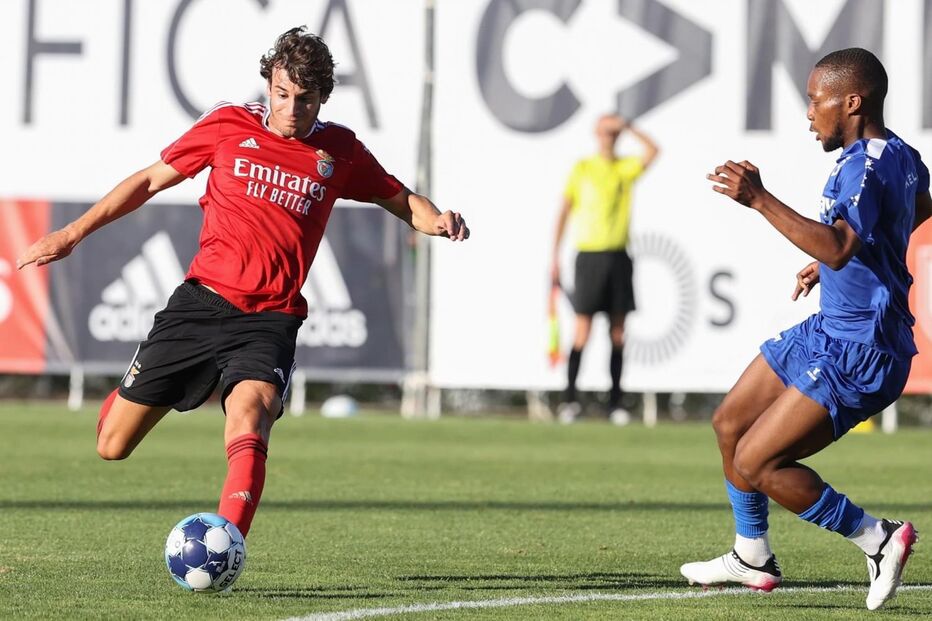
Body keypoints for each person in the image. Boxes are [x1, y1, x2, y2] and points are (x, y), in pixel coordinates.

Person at [16, 27, 469, 541]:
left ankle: (225, 545)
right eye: (282, 95)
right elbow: (147, 181)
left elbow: (402, 199)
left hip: (269, 319)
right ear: (268, 87)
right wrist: (73, 233)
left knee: (249, 419)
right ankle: (134, 391)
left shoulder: (339, 151)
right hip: (199, 304)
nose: (292, 108)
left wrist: (436, 219)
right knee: (112, 445)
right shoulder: (228, 125)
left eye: (305, 99)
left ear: (323, 96)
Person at [680, 48, 929, 611]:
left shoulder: (864, 164)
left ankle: (878, 538)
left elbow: (841, 244)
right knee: (730, 423)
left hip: (862, 346)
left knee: (755, 462)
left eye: (816, 100)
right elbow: (914, 209)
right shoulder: (903, 156)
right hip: (830, 327)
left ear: (852, 101)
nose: (809, 113)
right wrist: (856, 256)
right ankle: (752, 555)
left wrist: (760, 199)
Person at [550, 114, 658, 425]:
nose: (608, 137)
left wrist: (627, 126)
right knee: (582, 331)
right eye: (604, 131)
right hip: (589, 257)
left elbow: (653, 151)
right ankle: (569, 401)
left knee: (618, 333)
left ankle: (616, 404)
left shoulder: (624, 168)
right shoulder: (582, 168)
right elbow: (563, 212)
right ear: (595, 133)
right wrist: (554, 256)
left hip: (618, 257)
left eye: (612, 133)